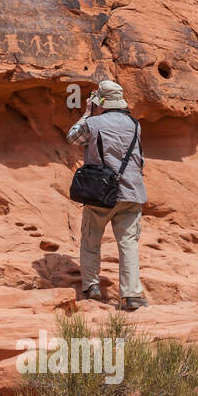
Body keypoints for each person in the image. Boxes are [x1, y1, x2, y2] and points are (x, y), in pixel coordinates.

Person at [66, 79, 148, 311]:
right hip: (132, 192)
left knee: (91, 240)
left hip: (100, 193)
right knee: (129, 244)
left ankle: (91, 287)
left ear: (100, 101)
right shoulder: (134, 124)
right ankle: (131, 296)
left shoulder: (93, 123)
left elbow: (72, 138)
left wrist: (87, 113)